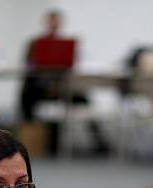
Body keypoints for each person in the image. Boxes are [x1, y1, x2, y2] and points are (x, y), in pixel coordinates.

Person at [20, 10, 109, 155]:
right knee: (26, 96)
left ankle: (101, 143)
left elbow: (70, 67)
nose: (54, 24)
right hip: (39, 88)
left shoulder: (66, 45)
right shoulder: (35, 44)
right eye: (52, 21)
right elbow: (28, 68)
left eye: (57, 21)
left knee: (83, 99)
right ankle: (31, 141)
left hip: (61, 87)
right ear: (46, 22)